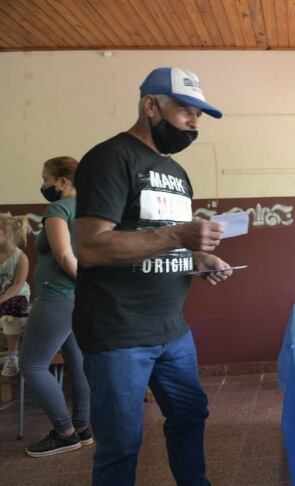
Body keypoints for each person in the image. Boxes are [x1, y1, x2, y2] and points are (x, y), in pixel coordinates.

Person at [73, 67, 231, 486]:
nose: (194, 123)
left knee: (190, 415)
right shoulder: (110, 158)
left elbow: (160, 239)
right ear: (151, 105)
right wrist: (179, 233)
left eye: (199, 116)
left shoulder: (177, 174)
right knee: (121, 443)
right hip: (118, 332)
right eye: (186, 112)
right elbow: (90, 248)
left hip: (172, 328)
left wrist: (198, 257)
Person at [20, 156, 93, 457]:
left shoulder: (58, 208)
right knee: (77, 361)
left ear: (62, 182)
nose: (44, 185)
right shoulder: (91, 207)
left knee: (32, 365)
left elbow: (64, 257)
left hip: (58, 296)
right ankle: (83, 427)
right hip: (76, 298)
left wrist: (87, 286)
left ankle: (64, 432)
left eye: (46, 179)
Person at [0, 213, 30, 377]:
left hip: (16, 297)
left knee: (11, 312)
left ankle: (12, 357)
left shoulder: (21, 258)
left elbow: (17, 285)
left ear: (5, 232)